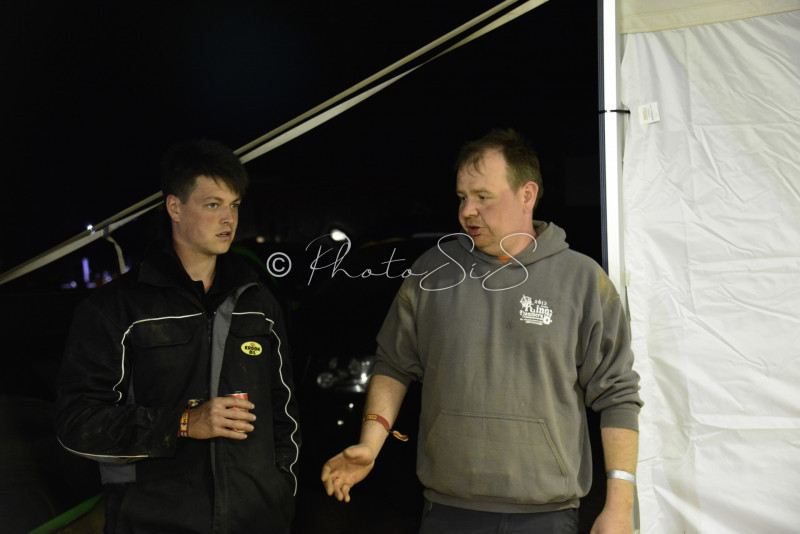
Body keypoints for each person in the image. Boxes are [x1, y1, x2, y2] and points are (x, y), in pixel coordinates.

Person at [321, 129, 642, 534]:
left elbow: (617, 394)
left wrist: (619, 507)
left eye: (483, 197)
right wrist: (370, 443)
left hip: (545, 514)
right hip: (447, 508)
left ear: (527, 194)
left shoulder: (582, 279)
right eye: (462, 197)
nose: (467, 211)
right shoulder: (432, 272)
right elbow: (394, 364)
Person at [56, 139, 301, 533]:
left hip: (258, 520)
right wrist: (183, 423)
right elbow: (77, 425)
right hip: (154, 520)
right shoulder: (116, 308)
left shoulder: (257, 300)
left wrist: (281, 491)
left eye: (234, 205)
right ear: (174, 207)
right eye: (213, 205)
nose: (228, 219)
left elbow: (285, 412)